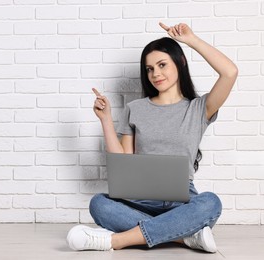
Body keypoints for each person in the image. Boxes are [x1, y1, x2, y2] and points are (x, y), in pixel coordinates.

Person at [66, 22, 238, 253]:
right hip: (139, 201)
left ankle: (117, 240)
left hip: (183, 201)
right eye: (149, 69)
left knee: (210, 203)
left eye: (162, 65)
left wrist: (192, 40)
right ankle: (183, 236)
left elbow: (230, 72)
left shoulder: (199, 108)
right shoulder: (135, 108)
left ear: (180, 62)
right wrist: (106, 119)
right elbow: (123, 161)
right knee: (99, 204)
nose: (155, 74)